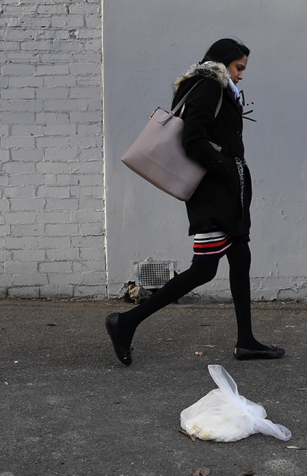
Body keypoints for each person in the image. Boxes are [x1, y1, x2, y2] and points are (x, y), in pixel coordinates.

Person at [105, 38, 284, 365]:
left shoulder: (217, 87)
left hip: (229, 192)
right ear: (223, 62)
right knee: (203, 269)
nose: (242, 75)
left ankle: (246, 341)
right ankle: (125, 322)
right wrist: (226, 170)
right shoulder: (208, 86)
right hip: (214, 192)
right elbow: (193, 141)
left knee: (240, 256)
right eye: (238, 68)